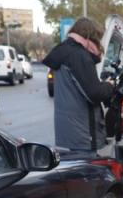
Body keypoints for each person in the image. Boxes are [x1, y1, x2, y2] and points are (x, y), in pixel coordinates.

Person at [42, 17, 115, 152]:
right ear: (89, 36)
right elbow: (94, 93)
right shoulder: (79, 56)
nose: (98, 42)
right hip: (83, 133)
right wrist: (109, 85)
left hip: (68, 131)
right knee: (87, 170)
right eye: (97, 38)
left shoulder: (63, 51)